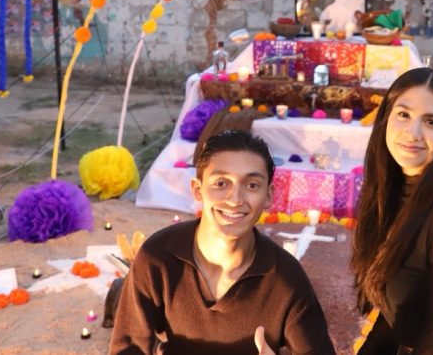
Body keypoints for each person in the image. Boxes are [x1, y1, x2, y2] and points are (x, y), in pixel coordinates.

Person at [110, 130, 334, 355]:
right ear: (197, 190)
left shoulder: (286, 277)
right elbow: (127, 349)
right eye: (220, 183)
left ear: (268, 195)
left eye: (252, 185)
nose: (235, 199)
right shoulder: (158, 258)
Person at [350, 67, 433, 355]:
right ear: (385, 119)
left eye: (431, 122)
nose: (412, 133)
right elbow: (392, 315)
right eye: (404, 114)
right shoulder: (389, 190)